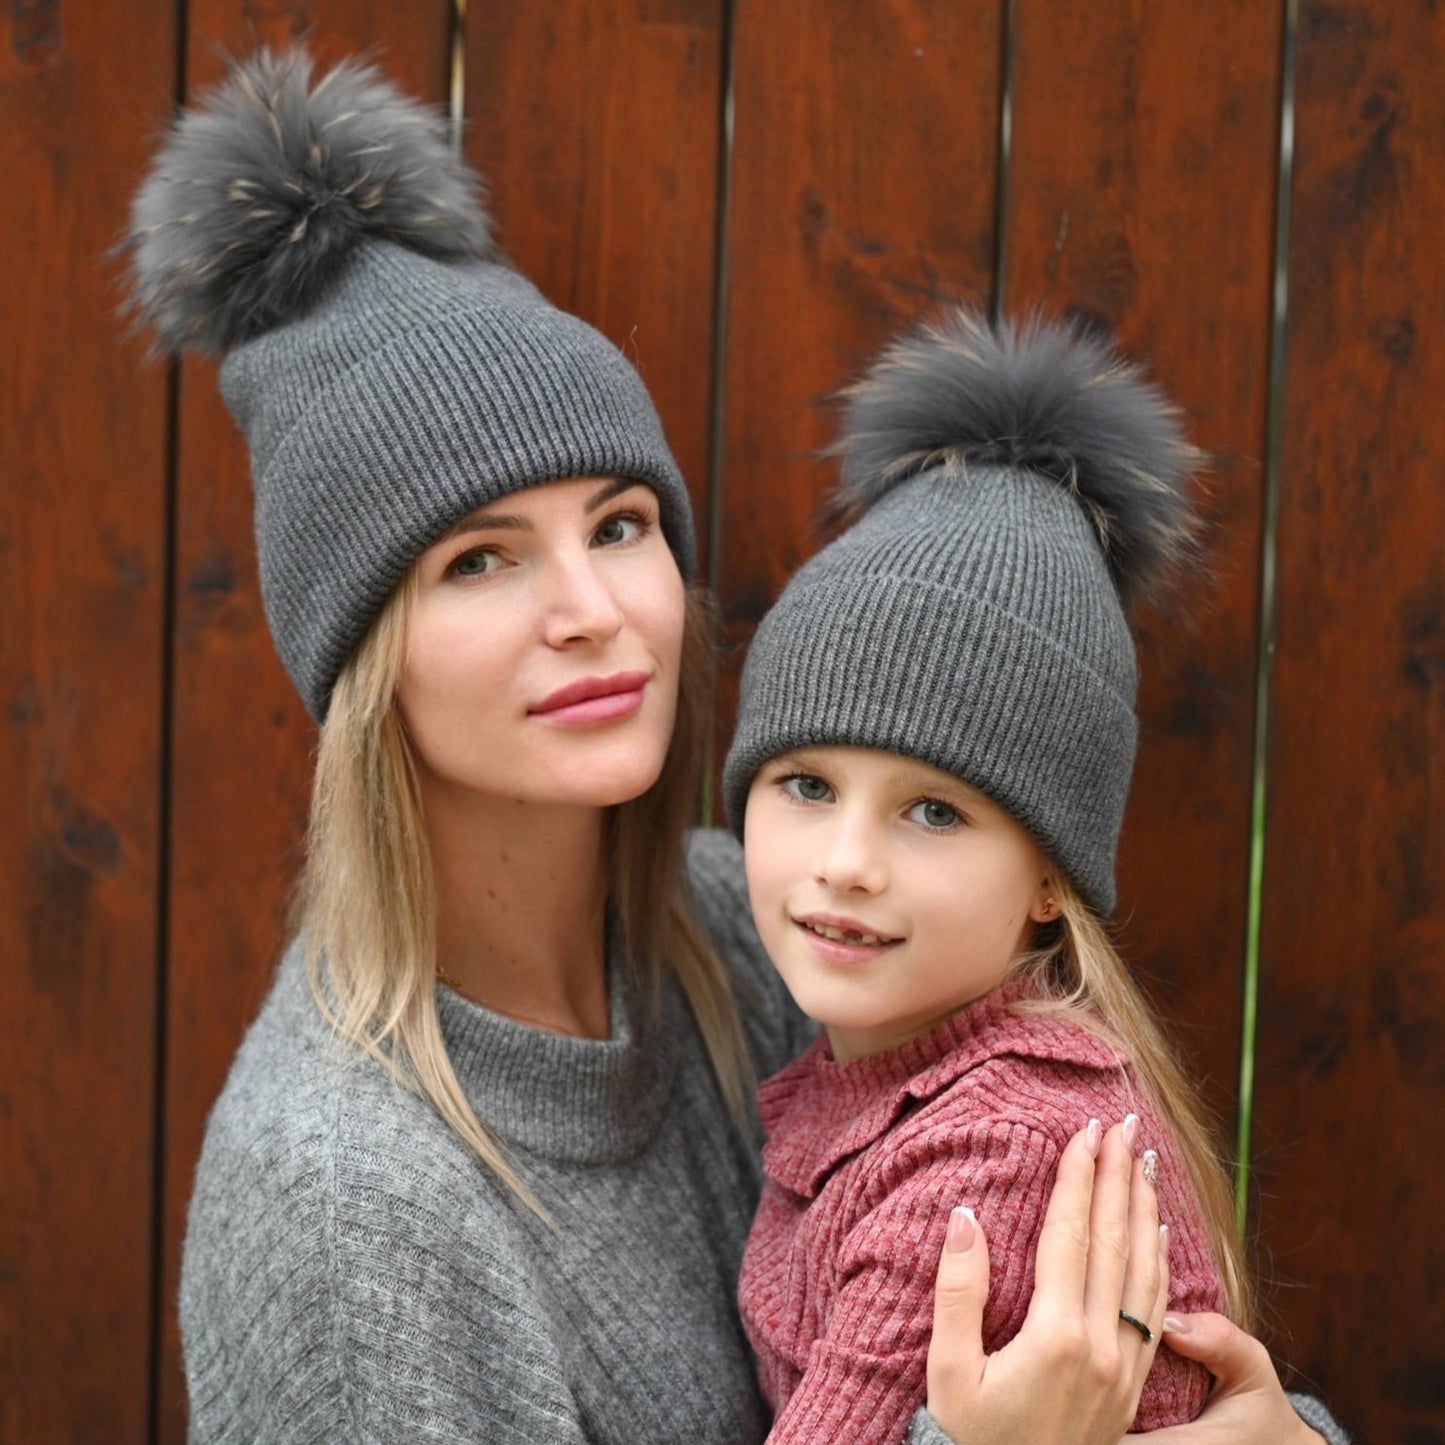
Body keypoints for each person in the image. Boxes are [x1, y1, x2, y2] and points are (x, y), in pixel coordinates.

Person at [122, 48, 1347, 1445]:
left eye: (621, 524)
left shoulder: (759, 930)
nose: (594, 611)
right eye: (478, 561)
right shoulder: (341, 1205)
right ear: (360, 659)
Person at [723, 309, 1251, 1440]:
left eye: (933, 809)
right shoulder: (879, 1061)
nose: (845, 863)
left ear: (1049, 878)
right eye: (805, 784)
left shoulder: (994, 1152)